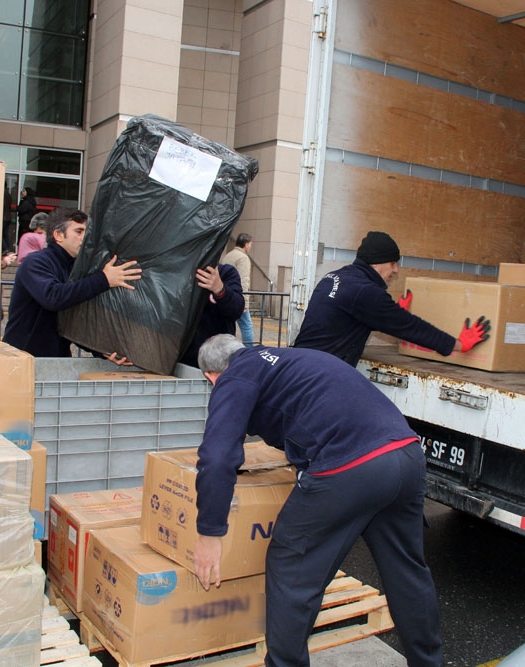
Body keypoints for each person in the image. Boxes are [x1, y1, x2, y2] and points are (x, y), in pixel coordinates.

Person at [192, 334, 444, 667]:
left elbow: (218, 455)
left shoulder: (236, 374)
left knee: (291, 564)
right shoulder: (284, 359)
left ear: (212, 377)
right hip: (405, 454)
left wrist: (210, 532)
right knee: (406, 572)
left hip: (352, 463)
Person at [293, 231, 490, 366]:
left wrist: (391, 312)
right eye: (393, 263)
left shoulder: (334, 277)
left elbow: (343, 319)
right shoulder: (365, 292)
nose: (395, 270)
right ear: (377, 263)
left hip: (300, 364)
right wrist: (458, 344)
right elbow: (411, 327)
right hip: (319, 374)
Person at [3, 208, 141, 360]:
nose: (85, 237)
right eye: (79, 231)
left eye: (87, 232)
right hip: (22, 361)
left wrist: (102, 351)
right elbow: (53, 297)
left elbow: (75, 321)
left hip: (57, 363)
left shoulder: (77, 268)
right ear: (59, 235)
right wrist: (104, 279)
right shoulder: (35, 262)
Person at [178, 264, 244, 368]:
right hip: (174, 358)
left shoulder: (225, 272)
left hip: (216, 361)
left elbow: (237, 309)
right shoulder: (171, 270)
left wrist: (220, 289)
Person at [221, 232, 255, 346]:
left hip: (225, 295)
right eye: (250, 244)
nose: (250, 247)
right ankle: (249, 352)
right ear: (245, 244)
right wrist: (244, 302)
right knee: (247, 326)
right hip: (237, 297)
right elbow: (244, 280)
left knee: (228, 326)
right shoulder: (243, 258)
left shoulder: (228, 255)